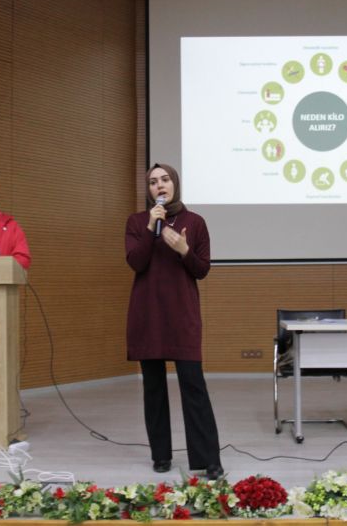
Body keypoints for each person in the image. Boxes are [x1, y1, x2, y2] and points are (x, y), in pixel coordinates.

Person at [124, 163, 223, 479]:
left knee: (194, 386)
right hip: (148, 314)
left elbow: (202, 269)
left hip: (182, 315)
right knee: (153, 388)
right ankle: (161, 456)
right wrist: (152, 229)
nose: (159, 186)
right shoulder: (138, 221)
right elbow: (136, 262)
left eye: (165, 180)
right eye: (153, 182)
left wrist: (183, 250)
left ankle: (209, 460)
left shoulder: (195, 223)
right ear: (148, 190)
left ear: (175, 184)